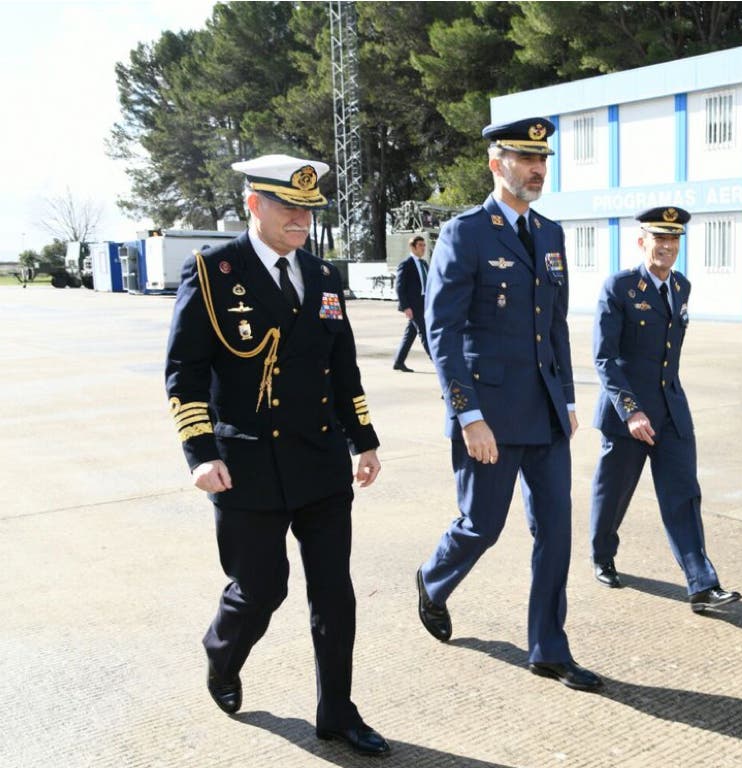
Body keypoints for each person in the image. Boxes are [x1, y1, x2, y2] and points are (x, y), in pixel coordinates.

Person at [164, 154, 390, 756]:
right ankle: (223, 652)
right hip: (247, 467)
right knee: (261, 589)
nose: (301, 218)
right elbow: (184, 374)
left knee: (334, 595)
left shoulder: (321, 275)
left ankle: (337, 711)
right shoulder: (213, 272)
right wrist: (199, 453)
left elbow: (341, 365)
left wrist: (362, 438)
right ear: (253, 206)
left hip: (319, 460)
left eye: (309, 208)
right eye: (288, 206)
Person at [415, 118, 602, 692]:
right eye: (525, 158)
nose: (537, 168)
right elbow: (441, 330)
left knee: (555, 532)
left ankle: (548, 648)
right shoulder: (466, 232)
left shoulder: (550, 233)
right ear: (497, 164)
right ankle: (432, 581)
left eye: (542, 158)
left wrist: (566, 396)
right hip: (489, 415)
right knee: (482, 526)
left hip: (545, 411)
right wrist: (467, 413)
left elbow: (556, 324)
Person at [589, 206, 742, 613]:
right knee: (614, 494)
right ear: (643, 242)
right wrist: (631, 410)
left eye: (674, 240)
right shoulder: (618, 287)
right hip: (629, 415)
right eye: (660, 239)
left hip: (672, 409)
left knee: (684, 495)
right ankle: (602, 554)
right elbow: (604, 358)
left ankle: (702, 585)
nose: (668, 247)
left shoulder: (681, 286)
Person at [392, 235, 432, 372]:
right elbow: (399, 287)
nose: (423, 248)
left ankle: (398, 361)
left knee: (410, 333)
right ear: (413, 247)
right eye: (420, 245)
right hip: (413, 306)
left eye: (424, 245)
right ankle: (436, 360)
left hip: (424, 303)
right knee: (425, 333)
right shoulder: (406, 264)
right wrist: (406, 307)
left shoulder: (424, 264)